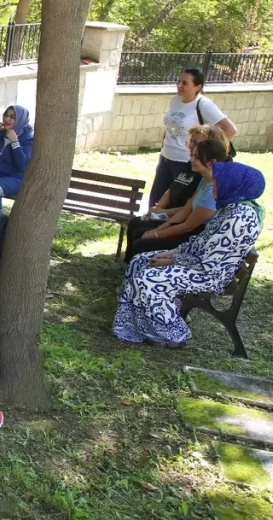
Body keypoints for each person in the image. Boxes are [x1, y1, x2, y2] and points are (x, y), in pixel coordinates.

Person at [113, 161, 264, 347]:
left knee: (147, 278)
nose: (214, 185)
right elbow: (201, 243)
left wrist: (170, 261)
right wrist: (172, 252)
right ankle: (139, 325)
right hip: (199, 264)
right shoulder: (230, 208)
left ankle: (173, 335)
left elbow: (208, 263)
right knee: (139, 260)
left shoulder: (239, 218)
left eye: (218, 181)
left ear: (234, 184)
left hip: (210, 276)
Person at [126, 124, 232, 261]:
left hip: (195, 236)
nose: (190, 147)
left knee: (142, 241)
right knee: (138, 226)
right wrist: (158, 223)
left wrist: (157, 233)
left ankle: (138, 273)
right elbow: (183, 202)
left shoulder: (213, 185)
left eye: (196, 144)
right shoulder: (203, 176)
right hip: (179, 222)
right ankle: (130, 269)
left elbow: (188, 225)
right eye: (191, 142)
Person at [148, 68, 237, 208]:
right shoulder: (175, 100)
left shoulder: (204, 105)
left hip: (185, 162)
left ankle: (166, 230)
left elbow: (230, 130)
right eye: (178, 81)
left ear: (197, 87)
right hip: (166, 158)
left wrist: (204, 152)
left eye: (184, 83)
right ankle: (149, 229)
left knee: (176, 203)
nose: (179, 85)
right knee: (156, 201)